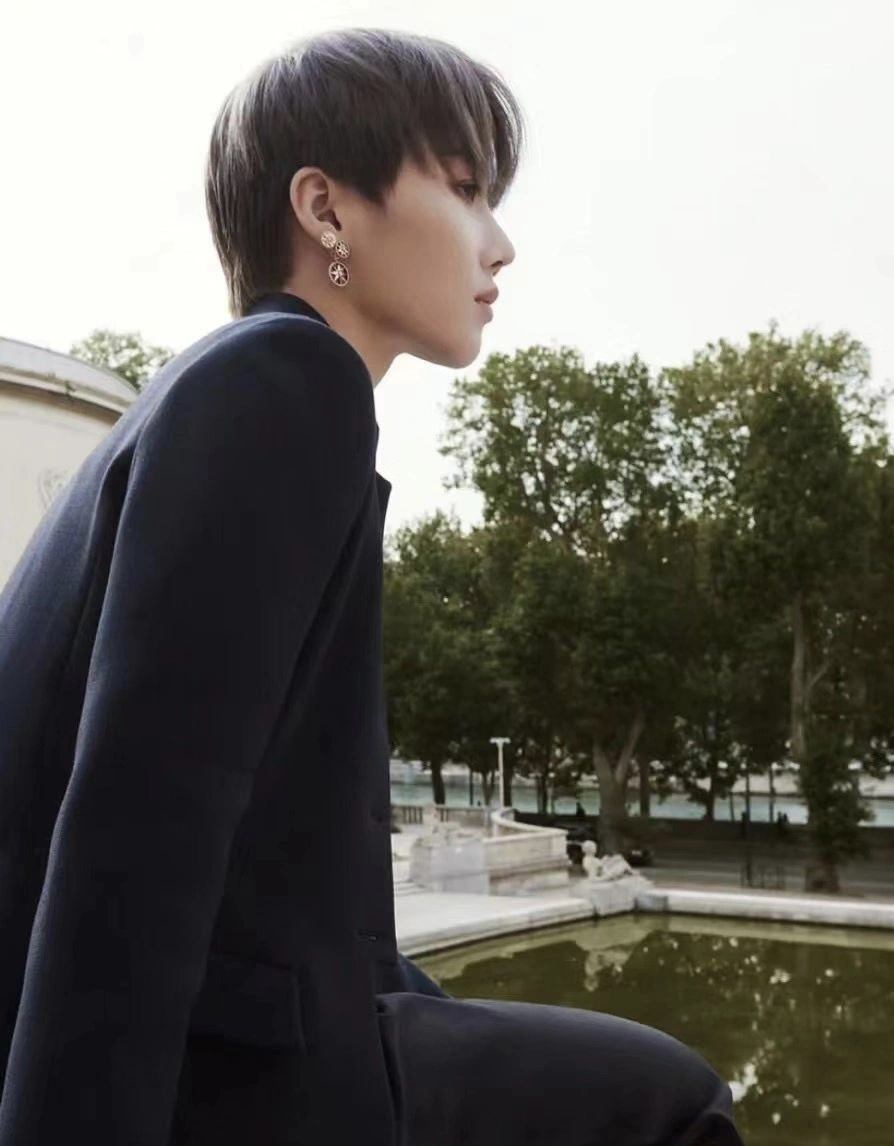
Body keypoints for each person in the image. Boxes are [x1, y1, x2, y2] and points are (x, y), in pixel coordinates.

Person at [0, 28, 741, 1146]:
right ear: (326, 210)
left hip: (259, 1036)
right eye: (464, 189)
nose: (500, 244)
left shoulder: (223, 392)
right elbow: (137, 842)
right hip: (231, 1084)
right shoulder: (281, 382)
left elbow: (282, 889)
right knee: (671, 1101)